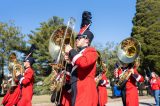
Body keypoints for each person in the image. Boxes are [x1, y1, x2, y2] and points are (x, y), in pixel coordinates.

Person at [64, 11, 98, 106]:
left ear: (87, 40)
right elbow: (76, 71)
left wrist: (71, 51)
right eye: (76, 38)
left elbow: (84, 63)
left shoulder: (91, 51)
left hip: (85, 89)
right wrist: (70, 61)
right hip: (77, 89)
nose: (76, 40)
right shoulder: (79, 54)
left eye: (79, 38)